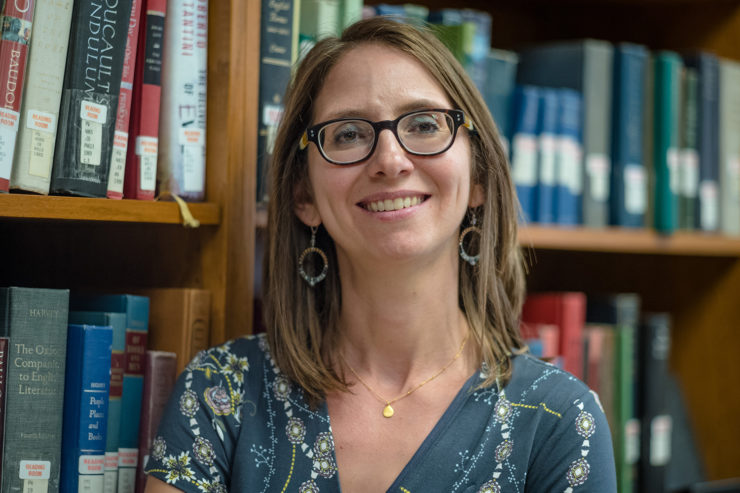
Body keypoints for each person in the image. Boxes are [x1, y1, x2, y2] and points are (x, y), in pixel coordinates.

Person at [144, 16, 616, 493]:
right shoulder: (219, 395)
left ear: (477, 178)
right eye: (348, 133)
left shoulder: (559, 421)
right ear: (303, 195)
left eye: (425, 124)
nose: (390, 160)